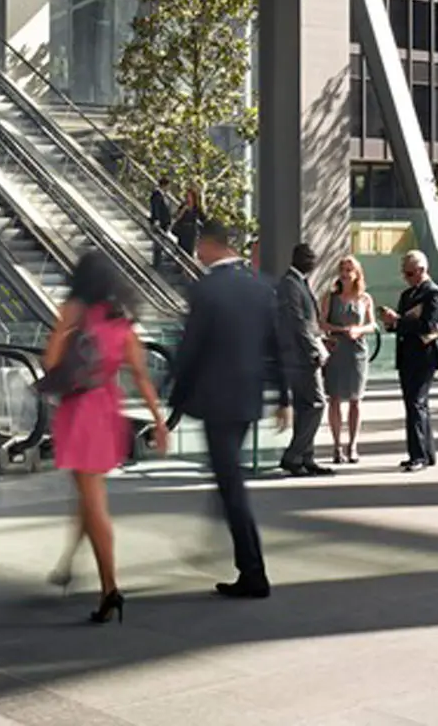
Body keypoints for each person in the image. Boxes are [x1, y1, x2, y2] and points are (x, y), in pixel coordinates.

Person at [43, 250, 168, 622]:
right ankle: (69, 561)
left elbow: (50, 363)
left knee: (94, 501)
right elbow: (142, 376)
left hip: (79, 412)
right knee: (88, 492)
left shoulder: (74, 313)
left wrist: (63, 330)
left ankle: (110, 588)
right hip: (107, 409)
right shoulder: (122, 324)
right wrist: (159, 420)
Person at [168, 218, 284, 598]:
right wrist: (282, 397)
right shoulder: (261, 286)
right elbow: (275, 345)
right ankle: (227, 544)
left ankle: (253, 571)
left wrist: (173, 402)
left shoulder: (206, 290)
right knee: (228, 476)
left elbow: (191, 350)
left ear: (209, 244)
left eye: (200, 245)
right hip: (247, 398)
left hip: (216, 400)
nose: (197, 252)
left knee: (231, 484)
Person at [379, 250, 438, 473]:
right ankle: (425, 452)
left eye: (409, 273)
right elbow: (402, 323)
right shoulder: (408, 294)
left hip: (423, 356)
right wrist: (392, 322)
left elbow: (428, 325)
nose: (406, 277)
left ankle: (419, 455)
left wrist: (399, 322)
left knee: (417, 403)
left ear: (421, 270)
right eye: (404, 273)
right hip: (407, 355)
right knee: (414, 405)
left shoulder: (433, 294)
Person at [273, 242, 330, 477]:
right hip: (299, 356)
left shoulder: (300, 283)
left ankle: (306, 457)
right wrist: (313, 350)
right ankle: (293, 455)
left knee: (306, 407)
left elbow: (308, 320)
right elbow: (297, 322)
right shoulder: (289, 284)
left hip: (305, 351)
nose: (313, 261)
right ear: (297, 259)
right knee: (317, 404)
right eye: (309, 257)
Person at [319, 256, 375, 466]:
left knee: (355, 399)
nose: (345, 273)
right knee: (334, 398)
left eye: (349, 269)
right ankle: (336, 446)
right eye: (342, 269)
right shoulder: (330, 297)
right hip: (336, 350)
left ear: (357, 273)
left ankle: (352, 445)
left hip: (357, 352)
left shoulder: (364, 299)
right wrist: (342, 330)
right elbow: (322, 323)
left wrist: (359, 329)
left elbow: (372, 325)